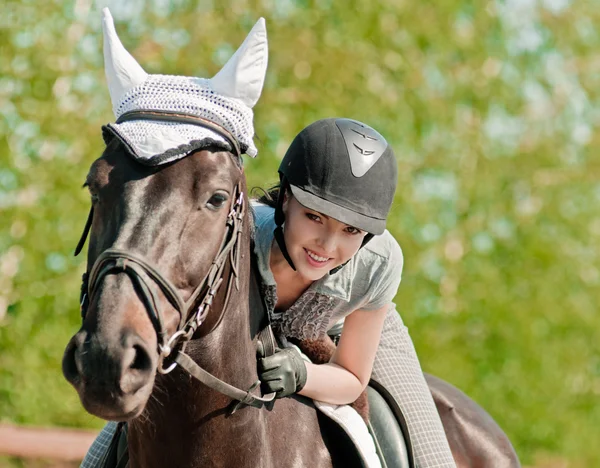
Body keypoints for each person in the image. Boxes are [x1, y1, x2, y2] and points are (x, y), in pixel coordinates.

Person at [251, 118, 456, 467]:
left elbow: (351, 378)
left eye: (350, 230)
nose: (327, 246)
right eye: (314, 217)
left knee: (433, 459)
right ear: (286, 199)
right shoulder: (243, 234)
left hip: (351, 318)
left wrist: (303, 376)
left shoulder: (377, 260)